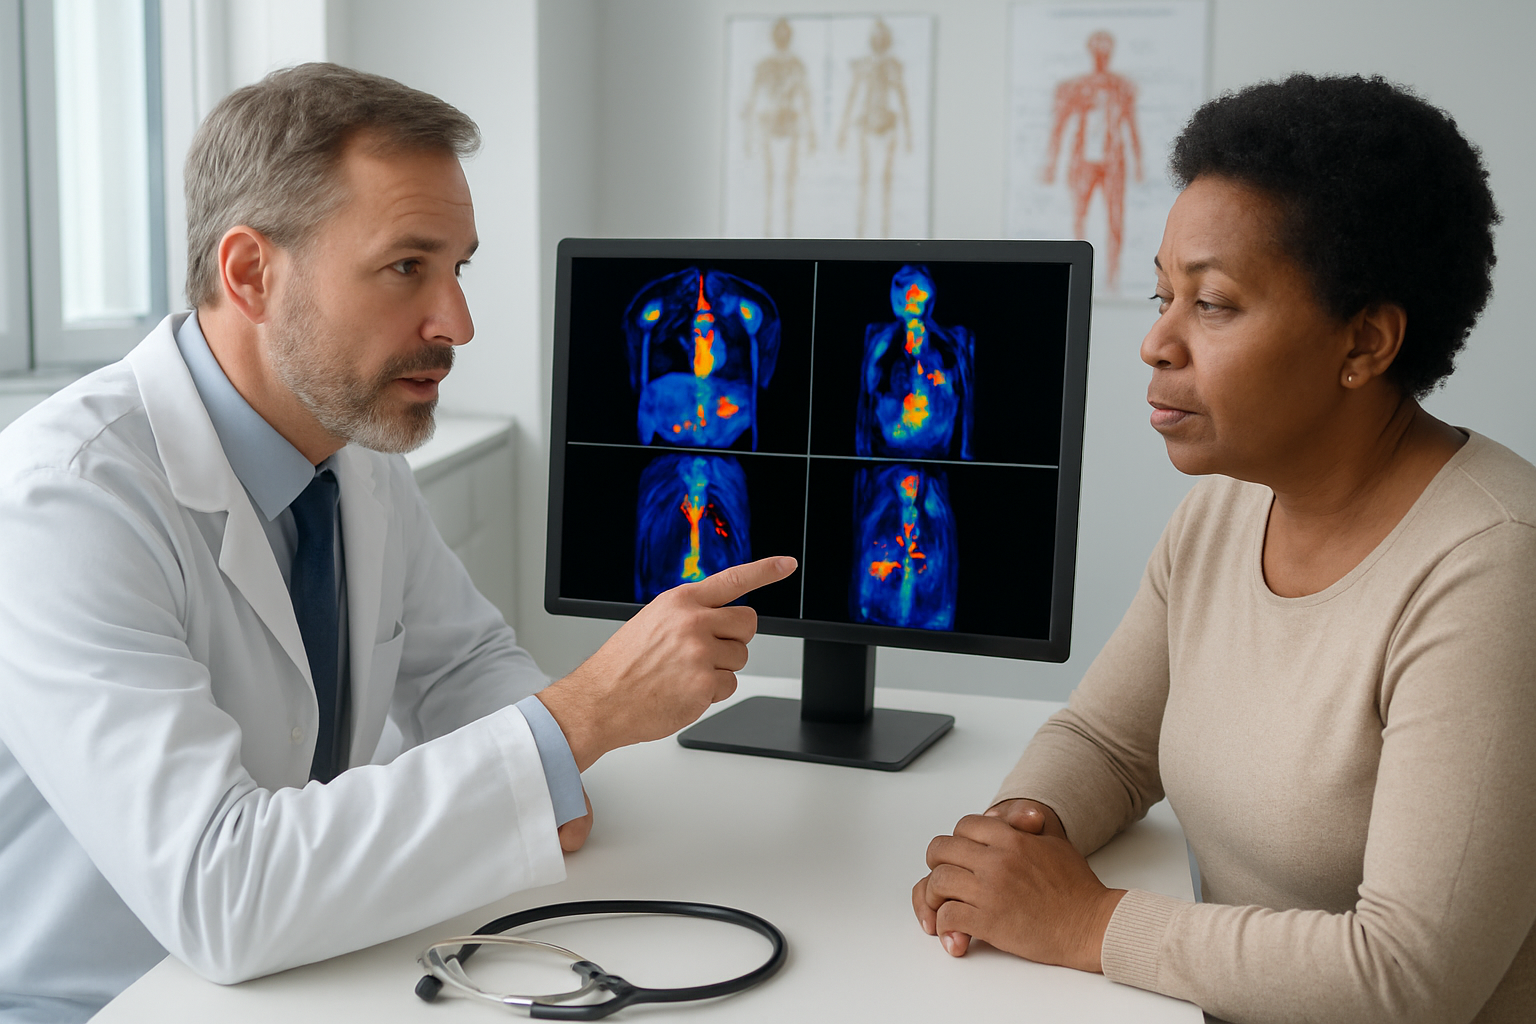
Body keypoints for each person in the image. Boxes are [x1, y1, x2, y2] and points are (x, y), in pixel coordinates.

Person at [0, 63, 794, 1023]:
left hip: (301, 969)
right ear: (250, 273)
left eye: (458, 268)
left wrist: (546, 771)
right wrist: (575, 721)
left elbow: (462, 664)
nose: (457, 323)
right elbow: (222, 888)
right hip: (99, 1000)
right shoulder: (66, 502)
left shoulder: (348, 449)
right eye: (407, 267)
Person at [913, 74, 1535, 1023]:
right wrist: (1012, 844)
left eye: (1212, 303)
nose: (1156, 342)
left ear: (1364, 343)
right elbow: (1108, 742)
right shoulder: (1223, 513)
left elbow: (1411, 977)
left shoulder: (1497, 567)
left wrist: (1086, 922)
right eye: (1163, 294)